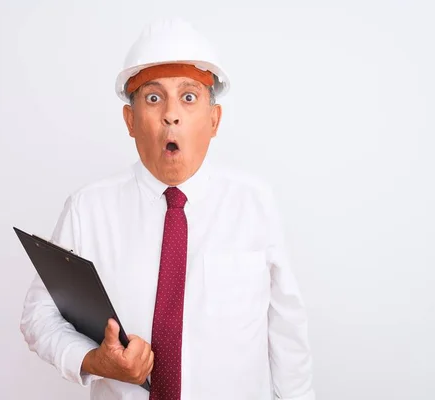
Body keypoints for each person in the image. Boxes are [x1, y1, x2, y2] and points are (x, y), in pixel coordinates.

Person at [20, 18, 315, 400]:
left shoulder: (254, 202)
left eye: (189, 97)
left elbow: (287, 332)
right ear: (130, 120)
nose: (170, 115)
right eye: (153, 98)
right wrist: (93, 359)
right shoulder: (87, 208)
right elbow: (39, 315)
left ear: (214, 119)